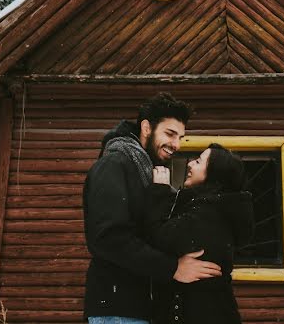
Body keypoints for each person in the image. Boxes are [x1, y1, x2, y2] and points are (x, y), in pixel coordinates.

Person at [83, 93, 223, 324]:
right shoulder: (115, 164)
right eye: (169, 134)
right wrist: (172, 268)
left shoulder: (147, 171)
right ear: (147, 127)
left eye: (180, 137)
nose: (176, 144)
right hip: (118, 309)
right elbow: (108, 237)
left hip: (141, 307)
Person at [146, 144, 254, 324]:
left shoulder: (209, 214)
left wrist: (159, 192)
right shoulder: (214, 210)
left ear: (214, 174)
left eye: (198, 161)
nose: (190, 164)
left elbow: (158, 238)